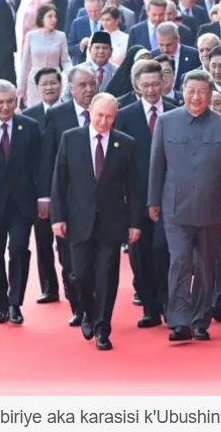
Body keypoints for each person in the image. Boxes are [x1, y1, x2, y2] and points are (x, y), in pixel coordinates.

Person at [148, 69, 221, 341]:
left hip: (210, 208)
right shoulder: (166, 121)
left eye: (202, 92)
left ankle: (200, 319)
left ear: (211, 94)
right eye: (191, 91)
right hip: (175, 206)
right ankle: (179, 321)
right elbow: (157, 163)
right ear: (183, 92)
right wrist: (152, 200)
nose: (196, 97)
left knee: (204, 265)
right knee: (179, 261)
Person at [51, 93, 143, 350]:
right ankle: (88, 313)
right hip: (78, 220)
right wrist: (57, 217)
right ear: (90, 110)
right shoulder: (71, 138)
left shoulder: (125, 144)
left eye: (109, 117)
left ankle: (103, 329)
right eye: (100, 115)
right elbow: (59, 181)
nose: (104, 121)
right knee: (80, 275)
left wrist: (135, 222)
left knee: (106, 275)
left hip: (111, 222)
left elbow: (133, 187)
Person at [115, 60, 178, 328]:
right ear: (137, 85)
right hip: (137, 197)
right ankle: (150, 308)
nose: (151, 89)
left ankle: (169, 305)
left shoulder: (176, 111)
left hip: (171, 196)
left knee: (166, 252)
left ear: (164, 83)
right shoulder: (125, 115)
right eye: (146, 85)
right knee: (141, 256)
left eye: (156, 84)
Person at [37, 64, 98, 324]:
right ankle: (79, 308)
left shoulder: (106, 110)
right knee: (70, 260)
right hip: (70, 201)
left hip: (101, 200)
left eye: (92, 84)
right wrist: (46, 198)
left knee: (98, 260)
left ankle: (97, 308)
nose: (88, 90)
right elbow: (47, 160)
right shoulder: (57, 115)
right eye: (82, 85)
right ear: (71, 89)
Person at [0, 80, 41, 324]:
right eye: (0, 102)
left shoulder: (30, 126)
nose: (5, 107)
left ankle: (15, 303)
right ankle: (0, 305)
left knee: (18, 249)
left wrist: (42, 198)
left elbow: (38, 166)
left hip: (21, 203)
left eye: (10, 102)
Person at [21, 67, 65, 303]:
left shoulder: (70, 112)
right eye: (44, 84)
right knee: (43, 239)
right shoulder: (29, 117)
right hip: (39, 189)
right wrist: (40, 193)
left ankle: (73, 286)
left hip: (67, 188)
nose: (49, 87)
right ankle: (49, 287)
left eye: (53, 83)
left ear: (61, 85)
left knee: (67, 243)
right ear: (37, 89)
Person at [18, 3, 72, 107]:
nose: (53, 19)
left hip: (54, 81)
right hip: (35, 81)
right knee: (35, 111)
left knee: (55, 109)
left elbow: (65, 60)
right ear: (41, 18)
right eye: (50, 16)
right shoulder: (31, 36)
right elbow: (25, 62)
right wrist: (21, 86)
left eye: (55, 17)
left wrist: (72, 76)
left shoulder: (61, 36)